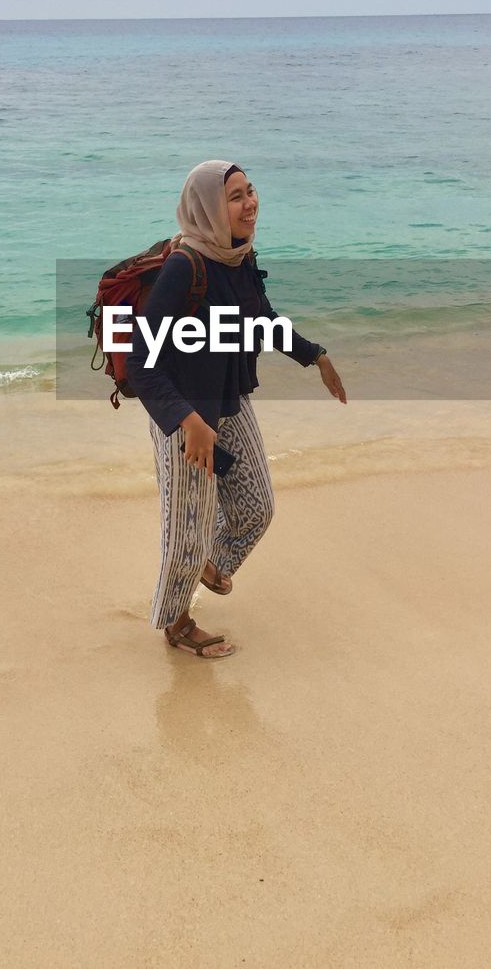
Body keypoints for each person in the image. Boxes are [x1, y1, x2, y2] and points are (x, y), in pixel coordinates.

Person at [126, 159, 347, 659]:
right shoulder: (184, 267)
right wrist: (188, 423)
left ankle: (210, 564)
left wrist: (315, 356)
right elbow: (142, 363)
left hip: (230, 398)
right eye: (235, 196)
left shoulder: (239, 257)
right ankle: (177, 624)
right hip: (184, 412)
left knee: (257, 507)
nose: (250, 203)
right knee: (188, 523)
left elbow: (261, 320)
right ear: (208, 208)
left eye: (250, 191)